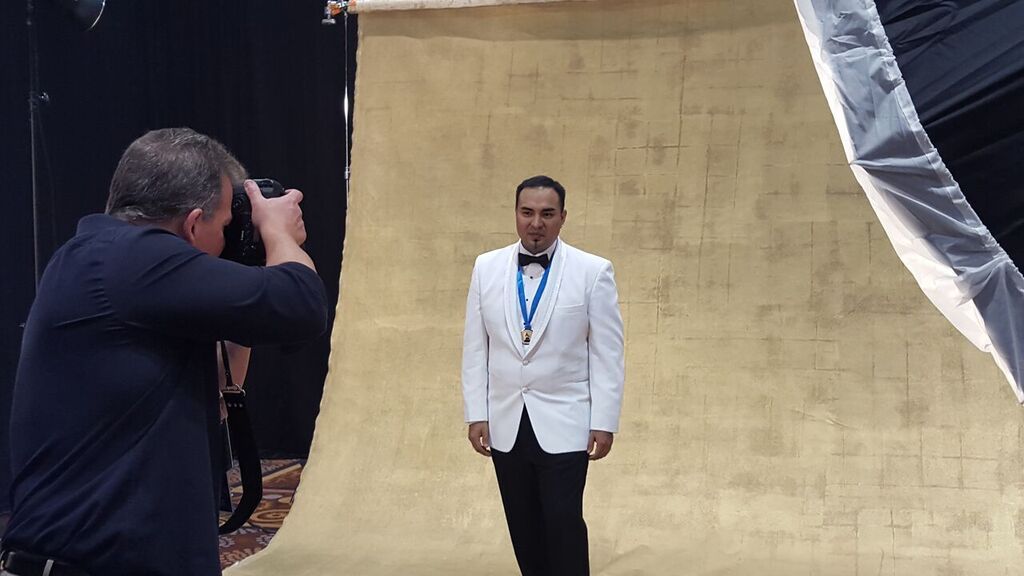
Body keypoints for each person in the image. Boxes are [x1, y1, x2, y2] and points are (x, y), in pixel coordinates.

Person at [1, 128, 328, 576]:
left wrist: (242, 278)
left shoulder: (106, 262)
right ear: (192, 225)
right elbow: (302, 305)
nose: (229, 237)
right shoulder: (131, 260)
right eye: (225, 227)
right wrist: (278, 233)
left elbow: (219, 396)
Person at [462, 175, 625, 576]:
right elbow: (475, 347)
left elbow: (607, 353)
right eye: (528, 213)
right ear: (516, 214)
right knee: (524, 527)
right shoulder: (485, 267)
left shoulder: (593, 271)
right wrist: (476, 413)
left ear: (563, 217)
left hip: (568, 421)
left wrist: (604, 421)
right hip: (505, 421)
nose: (536, 223)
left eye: (547, 214)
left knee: (563, 523)